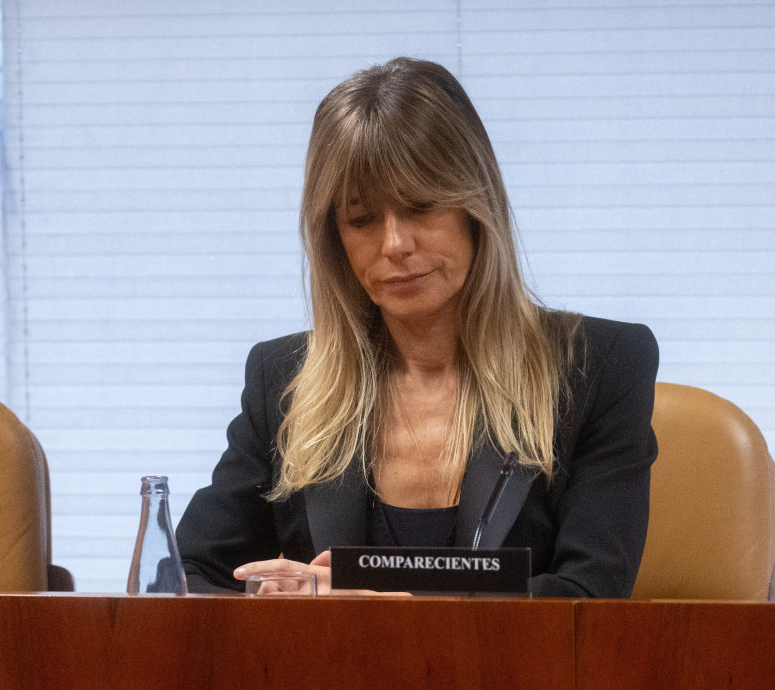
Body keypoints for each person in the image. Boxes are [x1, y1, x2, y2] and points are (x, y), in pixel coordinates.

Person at [175, 57, 659, 596]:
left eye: (420, 205)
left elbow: (588, 600)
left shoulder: (598, 367)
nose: (395, 244)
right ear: (334, 237)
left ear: (475, 204)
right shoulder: (283, 381)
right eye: (361, 219)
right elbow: (184, 578)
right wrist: (276, 605)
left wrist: (379, 604)